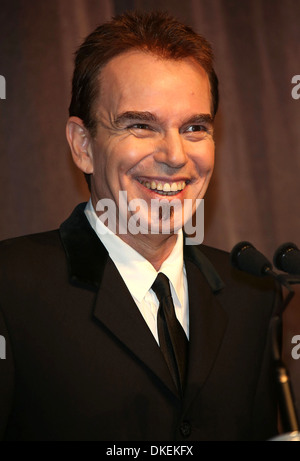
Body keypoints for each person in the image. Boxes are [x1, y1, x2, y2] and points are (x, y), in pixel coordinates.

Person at [0, 10, 280, 441]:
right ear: (83, 146)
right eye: (140, 126)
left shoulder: (252, 294)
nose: (174, 155)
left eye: (194, 127)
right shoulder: (10, 286)